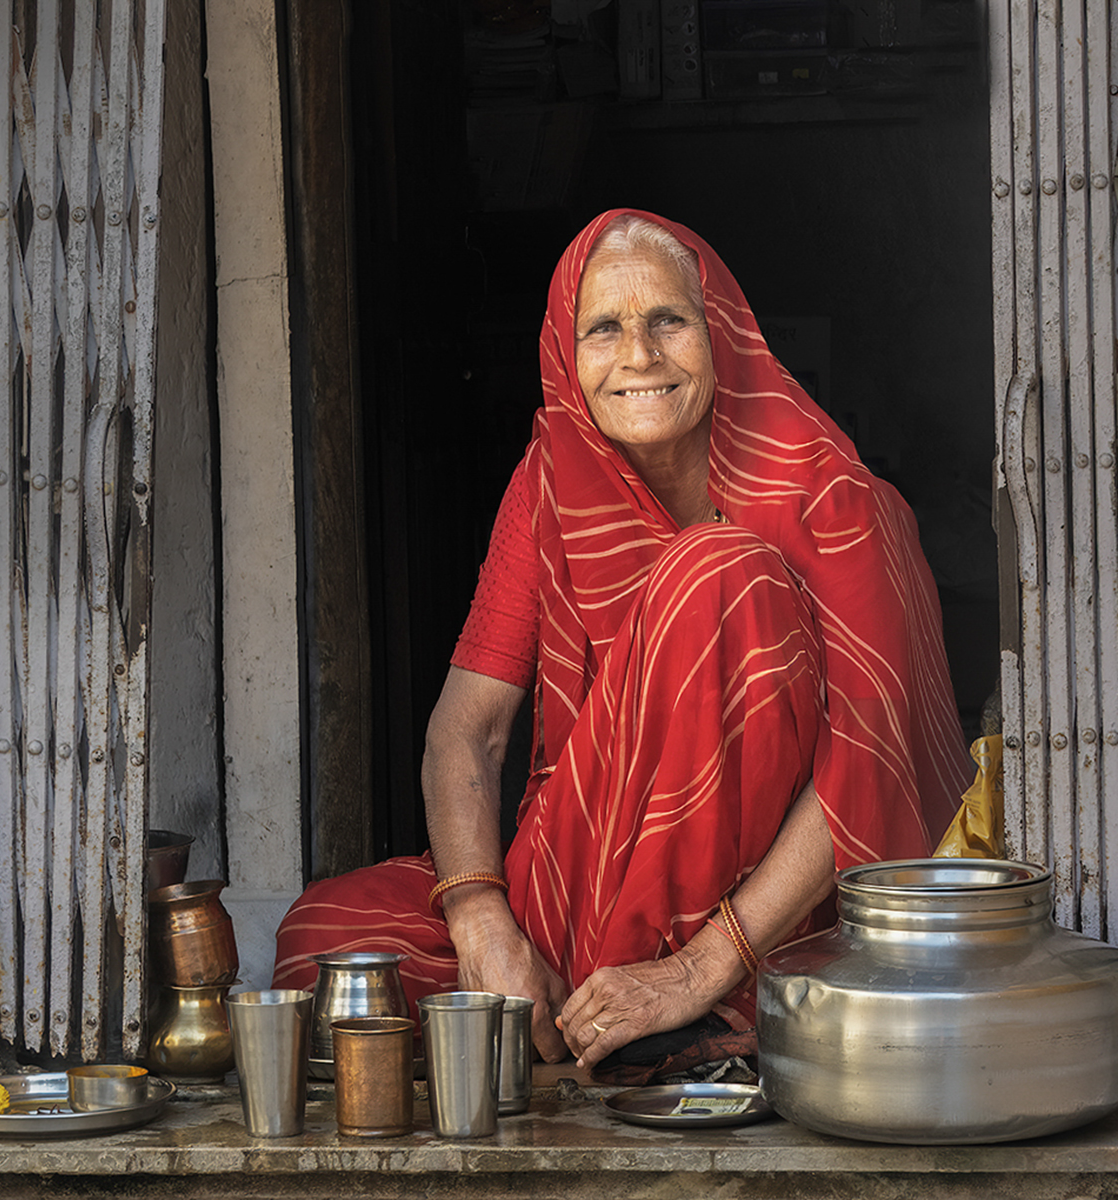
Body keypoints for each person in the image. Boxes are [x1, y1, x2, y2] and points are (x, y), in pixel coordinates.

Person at [274, 209, 974, 1075]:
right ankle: (595, 1009)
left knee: (718, 574)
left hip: (763, 914)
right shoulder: (550, 484)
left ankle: (671, 1010)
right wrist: (482, 921)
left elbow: (870, 767)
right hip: (584, 861)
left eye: (667, 320)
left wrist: (699, 966)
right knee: (325, 942)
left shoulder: (835, 504)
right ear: (569, 355)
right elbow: (468, 729)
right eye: (603, 327)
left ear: (719, 332)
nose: (637, 355)